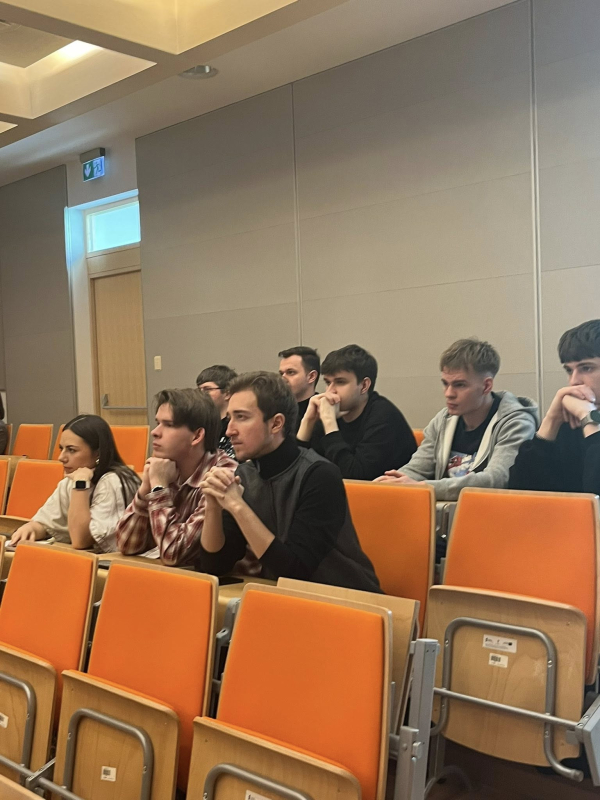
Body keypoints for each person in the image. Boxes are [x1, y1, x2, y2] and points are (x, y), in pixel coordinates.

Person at [198, 371, 380, 591]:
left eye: (242, 417)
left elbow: (295, 570)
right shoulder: (244, 474)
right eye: (229, 418)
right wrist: (213, 506)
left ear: (276, 424)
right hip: (286, 598)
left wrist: (237, 506)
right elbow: (215, 565)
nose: (229, 431)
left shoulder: (320, 475)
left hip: (348, 598)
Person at [376, 338, 538, 500]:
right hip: (445, 512)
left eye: (460, 385)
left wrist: (424, 487)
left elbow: (496, 479)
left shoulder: (517, 423)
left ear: (486, 386)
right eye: (445, 384)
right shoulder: (442, 420)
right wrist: (393, 482)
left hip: (490, 512)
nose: (449, 393)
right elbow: (417, 470)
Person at [115, 388, 237, 564]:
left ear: (196, 436)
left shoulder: (223, 474)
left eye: (169, 425)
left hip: (235, 580)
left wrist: (159, 488)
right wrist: (145, 489)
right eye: (157, 423)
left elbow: (173, 554)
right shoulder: (165, 468)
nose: (155, 432)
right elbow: (127, 545)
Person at [9, 414, 140, 552]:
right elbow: (47, 522)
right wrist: (31, 528)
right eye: (61, 449)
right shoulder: (71, 480)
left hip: (122, 562)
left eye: (71, 450)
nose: (61, 457)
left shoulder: (113, 482)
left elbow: (80, 540)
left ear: (98, 453)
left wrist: (81, 485)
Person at [296, 344, 416, 480]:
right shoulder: (331, 412)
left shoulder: (384, 416)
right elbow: (295, 472)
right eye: (328, 382)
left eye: (340, 382)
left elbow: (354, 476)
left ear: (364, 385)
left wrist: (330, 424)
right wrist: (308, 421)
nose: (330, 391)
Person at [509, 319, 600, 493]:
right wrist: (551, 420)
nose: (574, 381)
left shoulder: (584, 416)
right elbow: (521, 492)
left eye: (586, 368)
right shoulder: (571, 421)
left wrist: (590, 420)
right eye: (569, 370)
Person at [196, 364, 237, 458]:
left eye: (207, 389)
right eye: (199, 390)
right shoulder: (201, 425)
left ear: (227, 393)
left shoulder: (235, 427)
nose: (201, 395)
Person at [278, 346, 320, 432]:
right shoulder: (277, 412)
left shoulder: (323, 413)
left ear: (311, 376)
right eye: (281, 373)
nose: (283, 379)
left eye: (290, 372)